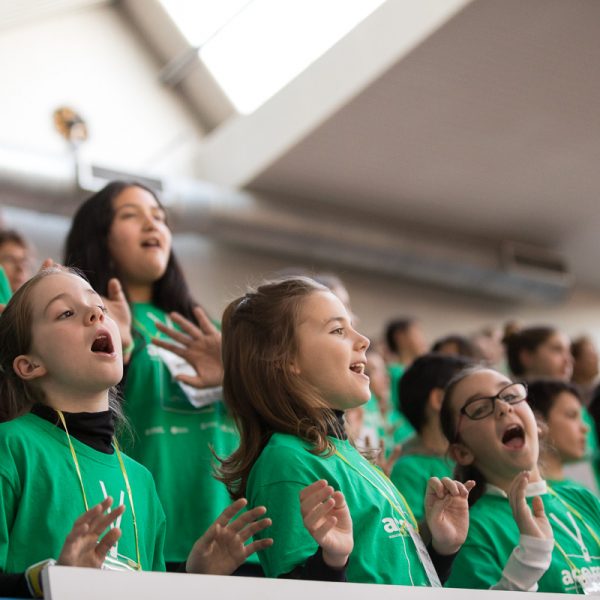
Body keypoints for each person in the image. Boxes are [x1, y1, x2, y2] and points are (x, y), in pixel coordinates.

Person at [0, 268, 273, 590]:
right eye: (66, 313)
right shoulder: (12, 446)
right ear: (29, 365)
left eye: (99, 308)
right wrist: (55, 580)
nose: (94, 314)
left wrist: (195, 579)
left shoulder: (140, 479)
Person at [218, 277, 474, 584]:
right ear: (285, 358)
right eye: (338, 330)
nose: (363, 339)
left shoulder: (345, 455)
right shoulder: (287, 460)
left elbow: (397, 577)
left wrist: (441, 549)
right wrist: (331, 561)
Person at [64, 181, 239, 569]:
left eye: (159, 217)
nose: (152, 224)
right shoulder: (87, 325)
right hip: (149, 534)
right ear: (99, 234)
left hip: (233, 534)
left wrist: (235, 380)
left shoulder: (206, 327)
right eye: (131, 215)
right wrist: (116, 350)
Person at [441, 367, 600, 593]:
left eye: (511, 396)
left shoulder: (581, 499)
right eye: (480, 408)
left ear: (536, 423)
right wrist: (528, 562)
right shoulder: (472, 531)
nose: (503, 407)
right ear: (462, 452)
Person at [390, 353, 472, 522]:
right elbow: (412, 537)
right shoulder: (409, 470)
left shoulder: (473, 456)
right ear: (439, 399)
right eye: (470, 395)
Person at [527, 380, 590, 489]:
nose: (585, 428)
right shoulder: (522, 497)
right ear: (538, 422)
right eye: (572, 416)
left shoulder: (580, 492)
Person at [571, 336, 599, 406]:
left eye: (595, 354)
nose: (597, 359)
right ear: (575, 362)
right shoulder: (567, 394)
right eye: (591, 355)